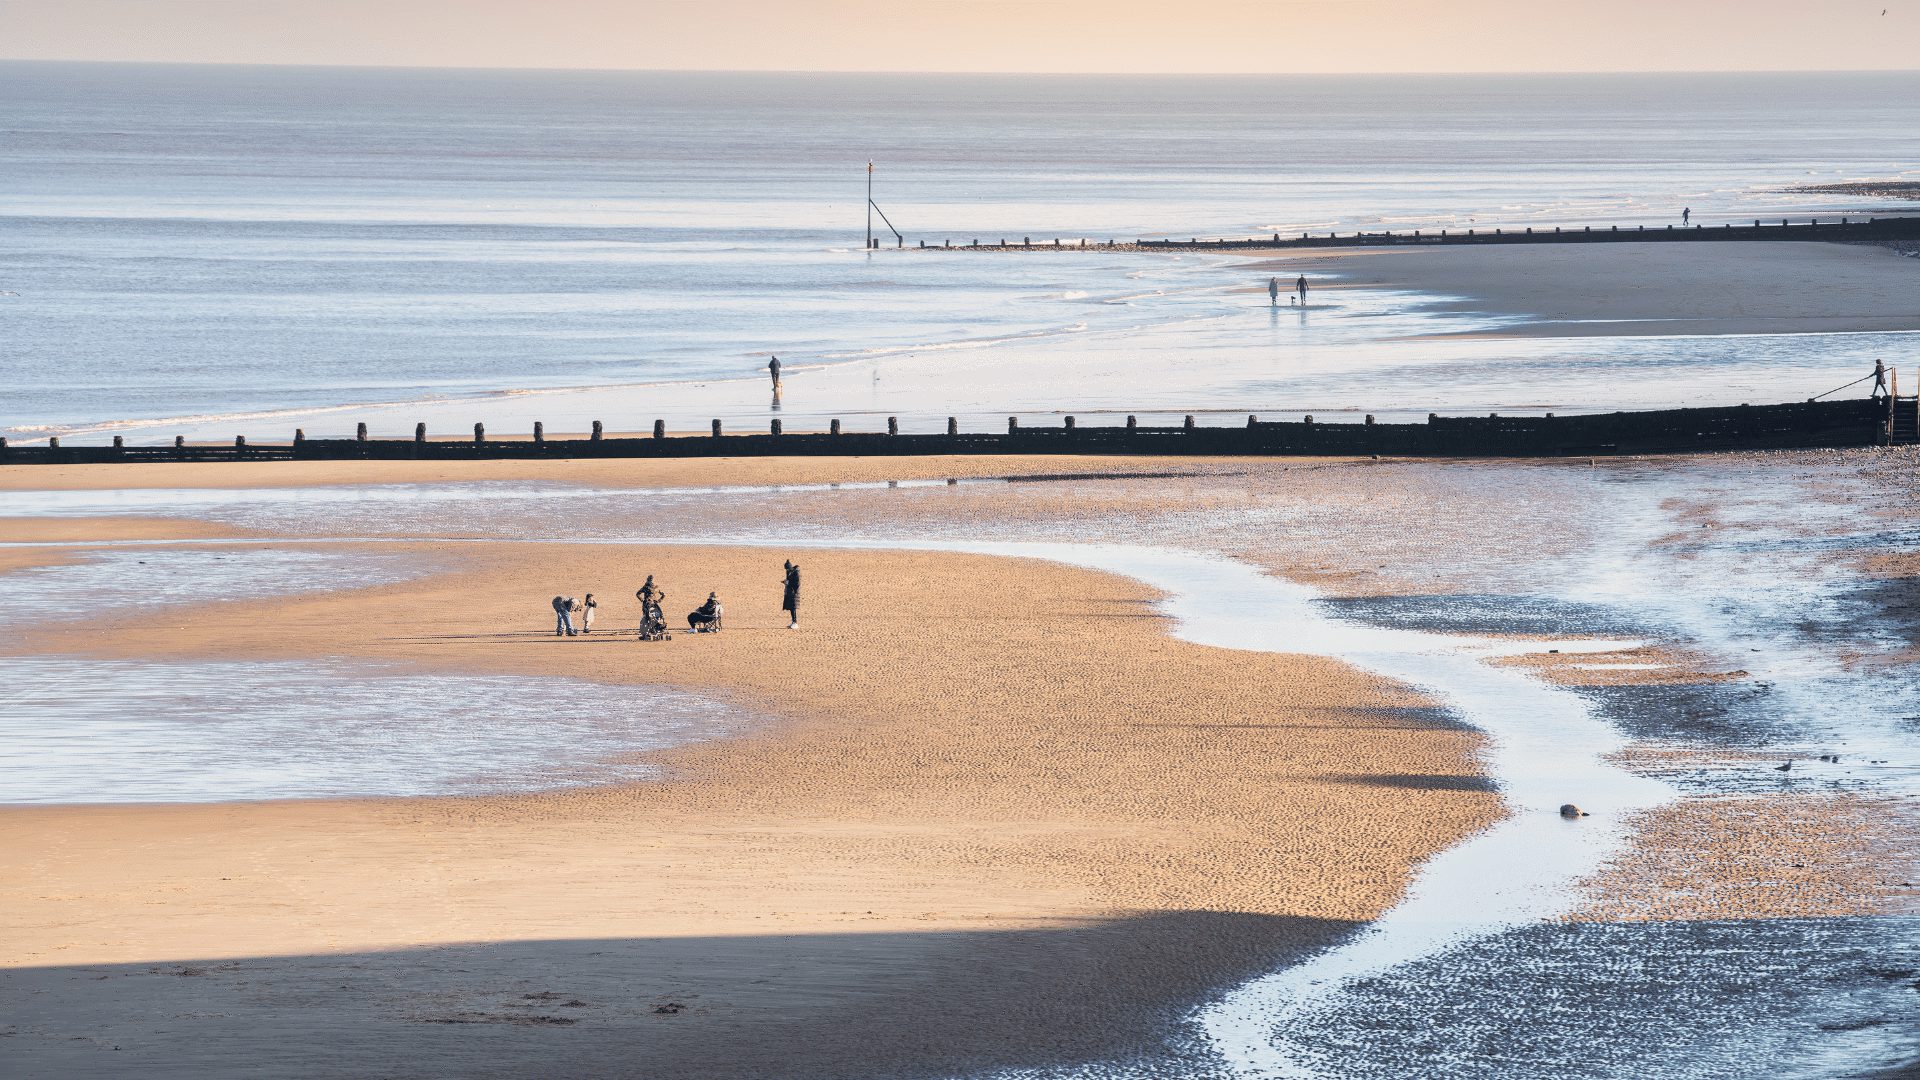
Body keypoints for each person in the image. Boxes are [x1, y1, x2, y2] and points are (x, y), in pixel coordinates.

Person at [782, 560, 801, 630]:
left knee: (793, 608)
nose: (786, 570)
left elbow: (797, 584)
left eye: (787, 568)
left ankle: (795, 623)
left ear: (790, 567)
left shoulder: (796, 573)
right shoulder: (789, 572)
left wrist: (788, 584)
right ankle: (793, 622)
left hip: (794, 593)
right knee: (790, 608)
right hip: (789, 592)